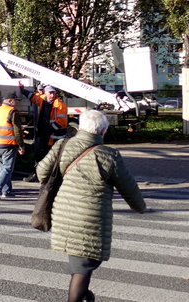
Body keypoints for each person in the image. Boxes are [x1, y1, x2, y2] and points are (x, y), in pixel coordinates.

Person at [36, 110, 146, 302]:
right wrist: (141, 207)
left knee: (80, 259)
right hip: (90, 217)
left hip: (62, 212)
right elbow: (129, 188)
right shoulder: (109, 155)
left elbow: (41, 172)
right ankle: (78, 297)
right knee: (84, 265)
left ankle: (85, 294)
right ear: (103, 131)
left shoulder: (63, 145)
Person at [21, 82, 68, 181]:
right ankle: (37, 175)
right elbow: (33, 97)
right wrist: (23, 90)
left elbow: (61, 122)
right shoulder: (42, 100)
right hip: (43, 134)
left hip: (54, 137)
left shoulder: (60, 105)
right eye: (50, 93)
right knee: (39, 155)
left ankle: (51, 177)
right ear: (45, 94)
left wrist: (49, 130)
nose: (52, 95)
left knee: (52, 157)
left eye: (53, 93)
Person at [0, 94, 25, 200]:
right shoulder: (12, 111)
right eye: (15, 101)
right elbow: (17, 130)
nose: (16, 103)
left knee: (2, 168)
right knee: (7, 168)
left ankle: (6, 191)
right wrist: (21, 145)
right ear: (10, 100)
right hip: (8, 143)